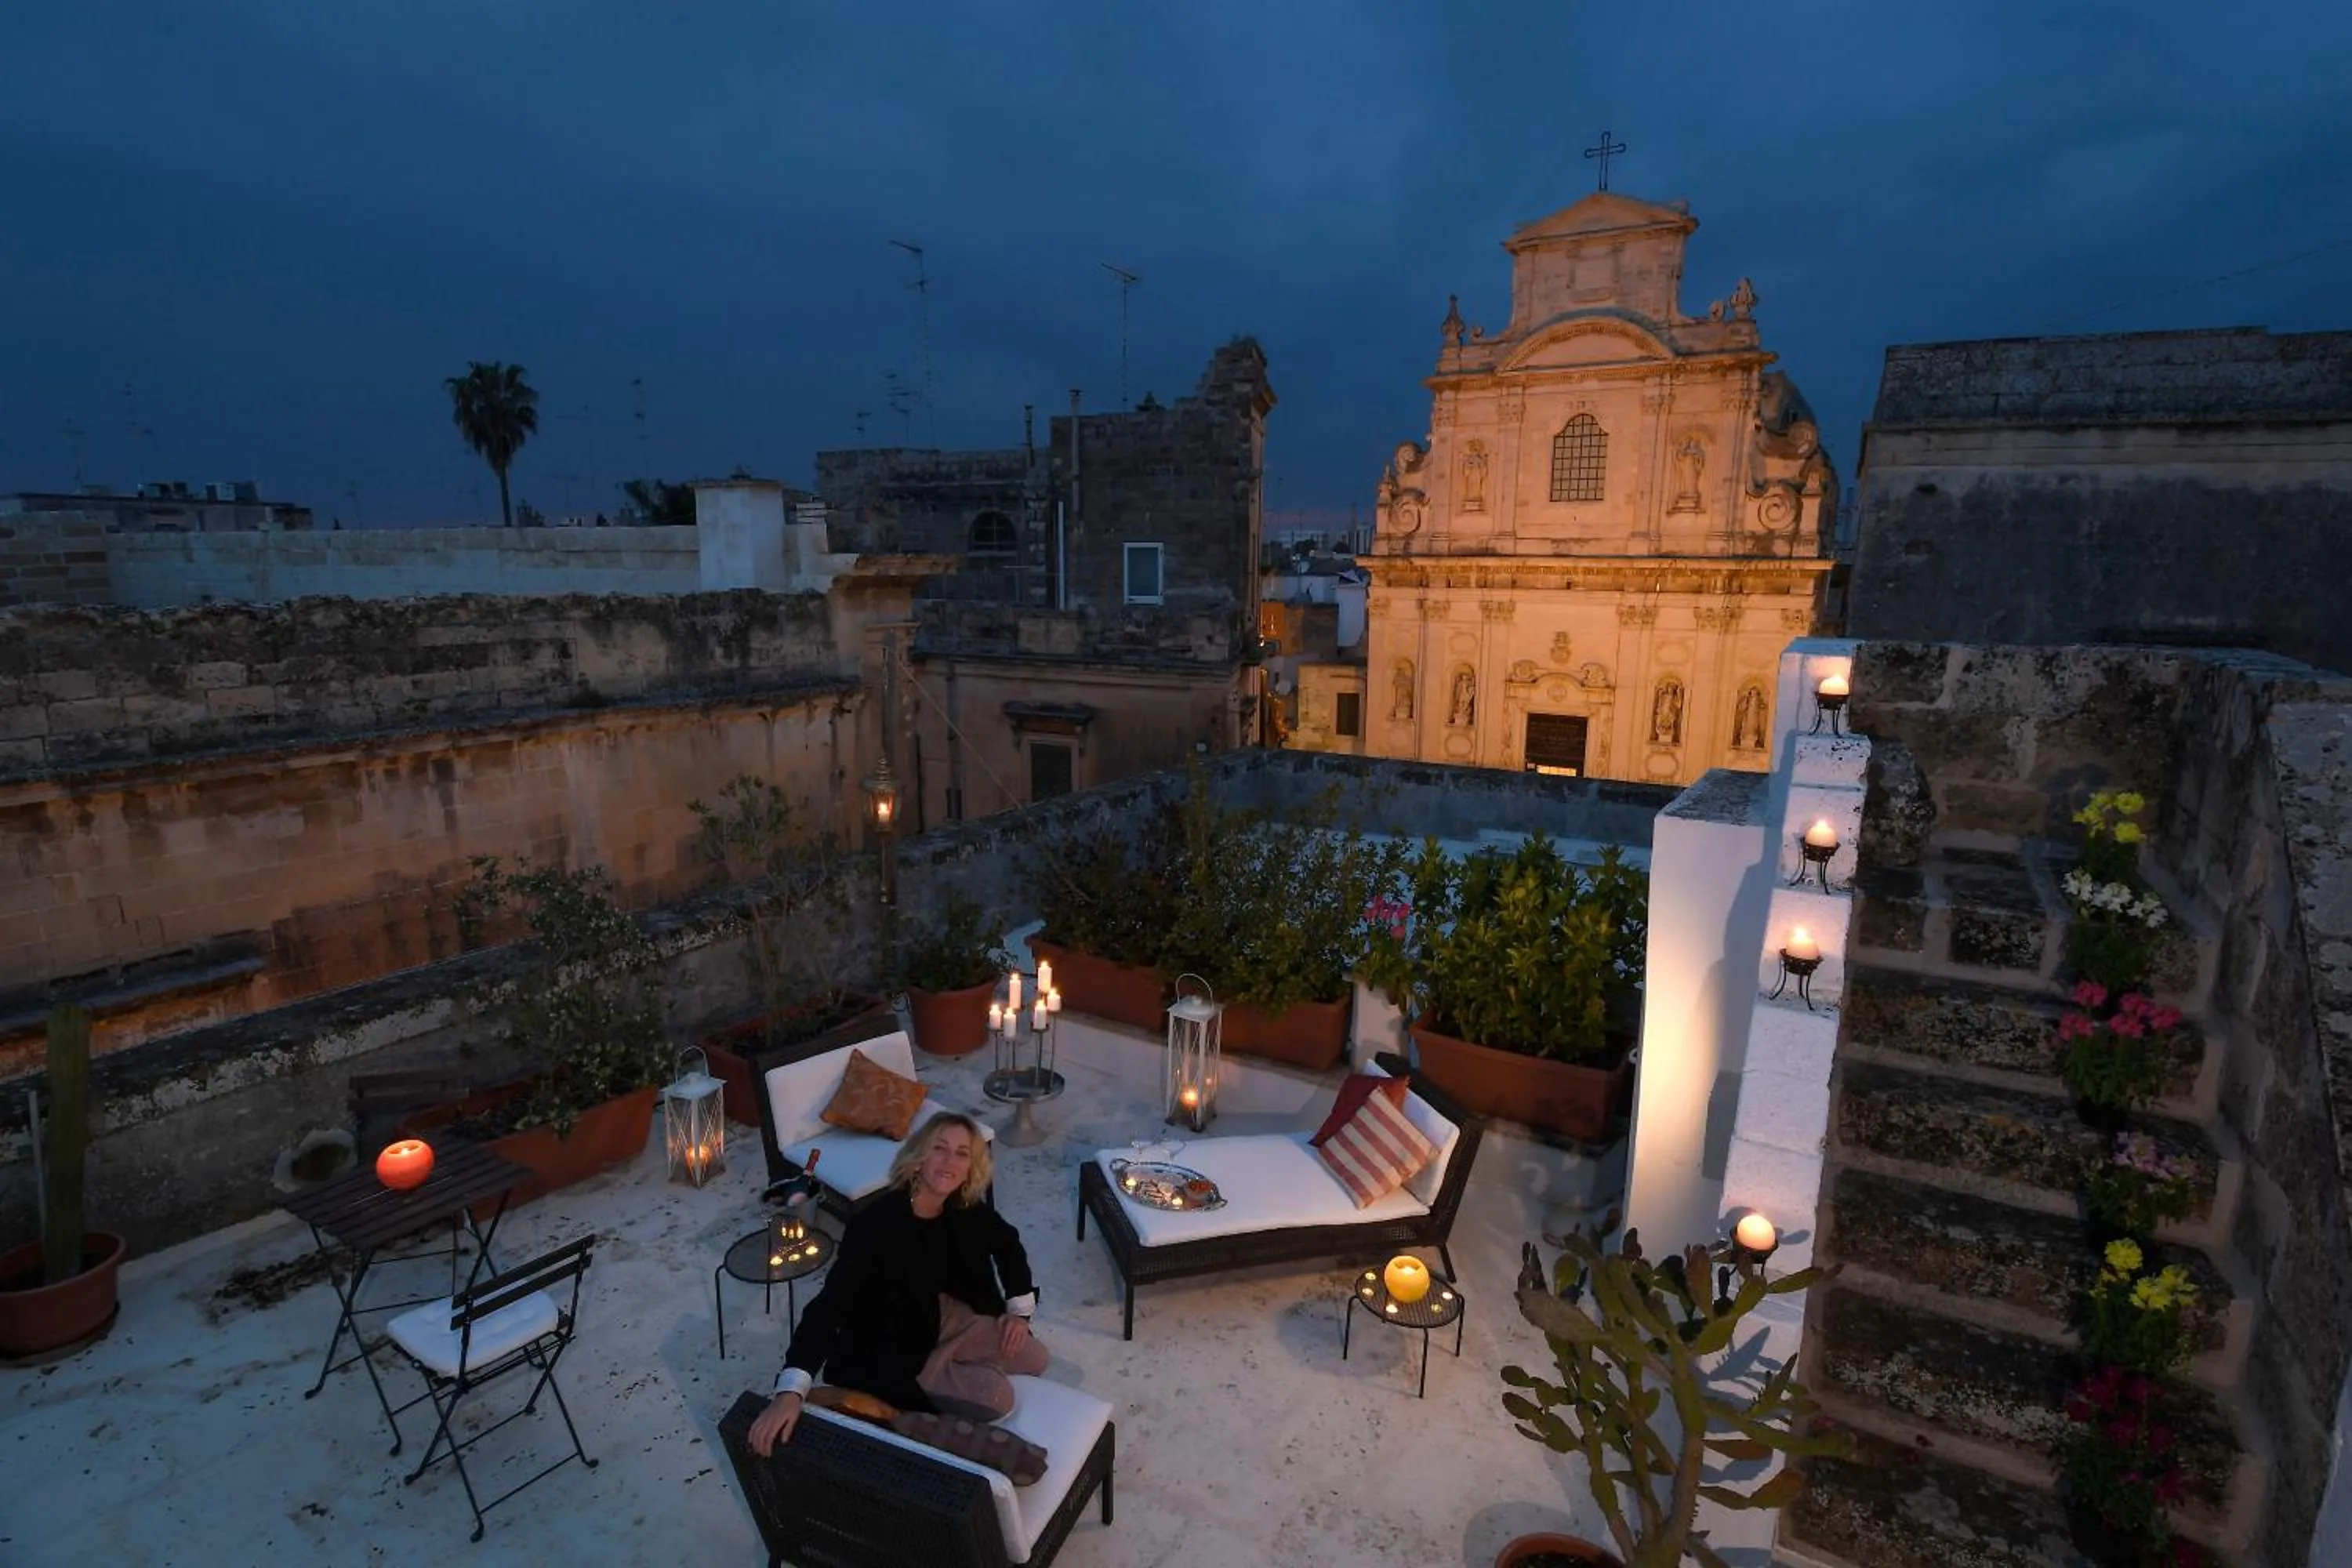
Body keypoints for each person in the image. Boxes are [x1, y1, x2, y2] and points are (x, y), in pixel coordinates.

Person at [746, 1112, 1045, 1456]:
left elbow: (1008, 1243)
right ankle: (934, 1381)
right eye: (940, 1148)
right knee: (997, 1397)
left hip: (951, 1318)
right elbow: (831, 1305)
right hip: (903, 1345)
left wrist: (1019, 1312)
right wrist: (790, 1390)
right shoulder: (877, 1224)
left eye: (962, 1153)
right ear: (919, 1158)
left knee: (1035, 1357)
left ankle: (965, 1364)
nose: (950, 1161)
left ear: (970, 1168)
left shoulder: (966, 1209)